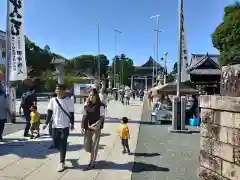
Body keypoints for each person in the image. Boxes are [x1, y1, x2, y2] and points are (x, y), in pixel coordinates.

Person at [43, 84, 75, 172]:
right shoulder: (53, 100)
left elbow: (71, 113)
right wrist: (46, 123)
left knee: (63, 142)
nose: (58, 91)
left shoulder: (69, 101)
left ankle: (62, 162)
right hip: (55, 125)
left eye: (60, 89)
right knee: (55, 142)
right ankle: (62, 150)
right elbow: (49, 112)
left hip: (65, 125)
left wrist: (72, 124)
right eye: (57, 89)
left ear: (64, 91)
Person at [81, 88, 105, 170]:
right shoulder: (86, 104)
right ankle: (92, 158)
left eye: (93, 95)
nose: (91, 97)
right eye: (90, 95)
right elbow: (84, 116)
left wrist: (98, 124)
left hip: (96, 128)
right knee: (88, 145)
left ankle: (92, 162)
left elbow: (102, 117)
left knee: (95, 145)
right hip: (88, 127)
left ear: (96, 96)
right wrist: (82, 126)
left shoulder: (101, 106)